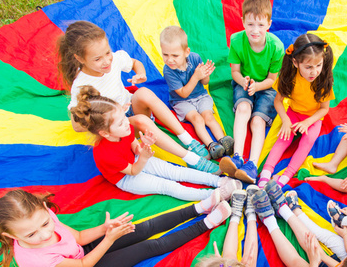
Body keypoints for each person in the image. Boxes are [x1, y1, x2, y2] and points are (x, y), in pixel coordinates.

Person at [0, 189, 231, 267]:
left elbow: (81, 238)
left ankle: (199, 207)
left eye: (45, 224)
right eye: (31, 235)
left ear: (44, 209)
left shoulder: (44, 217)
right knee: (149, 247)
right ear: (11, 236)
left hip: (80, 250)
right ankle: (207, 223)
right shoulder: (36, 258)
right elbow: (84, 265)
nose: (43, 234)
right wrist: (109, 238)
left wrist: (106, 228)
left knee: (142, 228)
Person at [57, 21, 217, 174]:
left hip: (130, 108)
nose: (107, 61)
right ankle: (191, 158)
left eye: (107, 53)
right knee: (142, 121)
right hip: (116, 127)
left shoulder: (114, 59)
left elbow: (135, 63)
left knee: (144, 93)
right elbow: (77, 126)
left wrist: (141, 73)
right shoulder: (81, 85)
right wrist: (110, 115)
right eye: (98, 59)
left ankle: (188, 140)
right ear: (79, 58)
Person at [71, 86, 241, 201]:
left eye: (124, 117)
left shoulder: (125, 128)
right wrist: (144, 156)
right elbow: (133, 171)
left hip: (137, 158)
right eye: (120, 122)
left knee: (175, 171)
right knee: (166, 186)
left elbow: (133, 146)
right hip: (127, 177)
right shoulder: (104, 154)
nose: (127, 122)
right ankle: (215, 195)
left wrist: (141, 146)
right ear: (105, 133)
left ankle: (218, 181)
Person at [218, 0, 284, 184]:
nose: (255, 30)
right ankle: (237, 156)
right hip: (244, 82)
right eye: (250, 24)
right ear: (243, 22)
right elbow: (235, 72)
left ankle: (252, 165)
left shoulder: (276, 47)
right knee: (243, 108)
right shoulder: (238, 40)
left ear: (269, 24)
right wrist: (244, 82)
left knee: (257, 121)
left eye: (261, 25)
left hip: (265, 86)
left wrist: (258, 86)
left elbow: (272, 80)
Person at [257, 33, 335, 188]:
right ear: (295, 62)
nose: (314, 72)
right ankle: (266, 173)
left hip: (312, 118)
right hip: (293, 113)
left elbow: (324, 109)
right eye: (308, 67)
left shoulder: (323, 78)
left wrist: (307, 122)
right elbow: (278, 101)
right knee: (283, 137)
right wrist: (285, 120)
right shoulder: (289, 75)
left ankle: (286, 176)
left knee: (307, 140)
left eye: (318, 65)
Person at [160, 26, 235, 160]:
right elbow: (183, 93)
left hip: (200, 96)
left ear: (186, 52)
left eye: (175, 55)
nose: (169, 60)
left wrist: (205, 74)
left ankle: (223, 140)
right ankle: (211, 145)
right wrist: (196, 76)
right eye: (165, 54)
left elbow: (205, 82)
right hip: (181, 101)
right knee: (197, 119)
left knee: (208, 116)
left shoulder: (195, 58)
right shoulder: (168, 71)